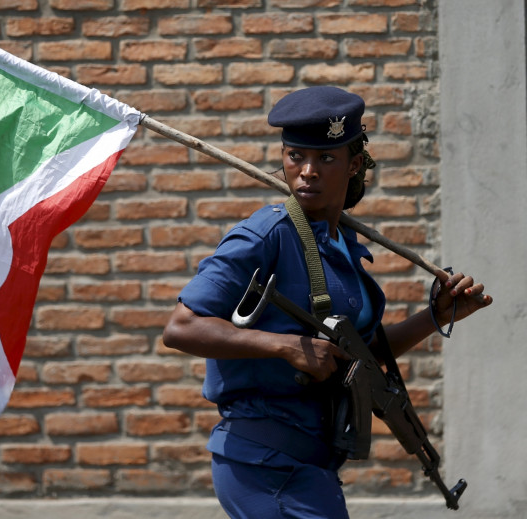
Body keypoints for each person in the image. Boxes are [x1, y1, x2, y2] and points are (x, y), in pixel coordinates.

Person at [162, 86, 493, 519]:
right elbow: (182, 327)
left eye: (326, 159)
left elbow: (359, 356)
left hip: (312, 464)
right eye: (296, 156)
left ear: (354, 164)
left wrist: (436, 315)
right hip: (264, 464)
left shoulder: (342, 248)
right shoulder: (266, 235)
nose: (308, 172)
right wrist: (285, 347)